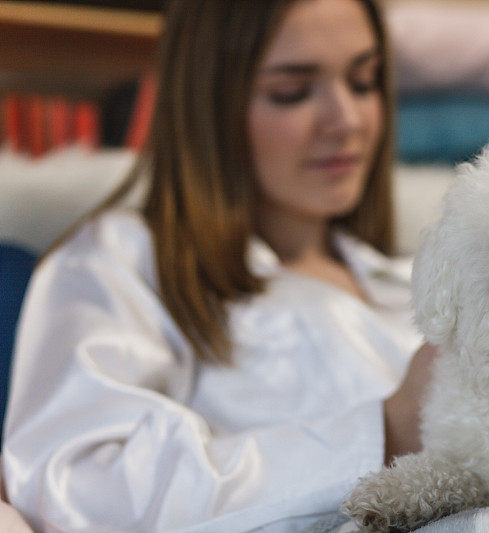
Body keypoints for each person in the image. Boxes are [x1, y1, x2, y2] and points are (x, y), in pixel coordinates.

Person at [2, 0, 439, 530]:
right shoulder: (127, 260)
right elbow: (81, 489)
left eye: (364, 82)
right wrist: (385, 432)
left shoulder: (418, 280)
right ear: (208, 102)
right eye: (293, 91)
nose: (346, 121)